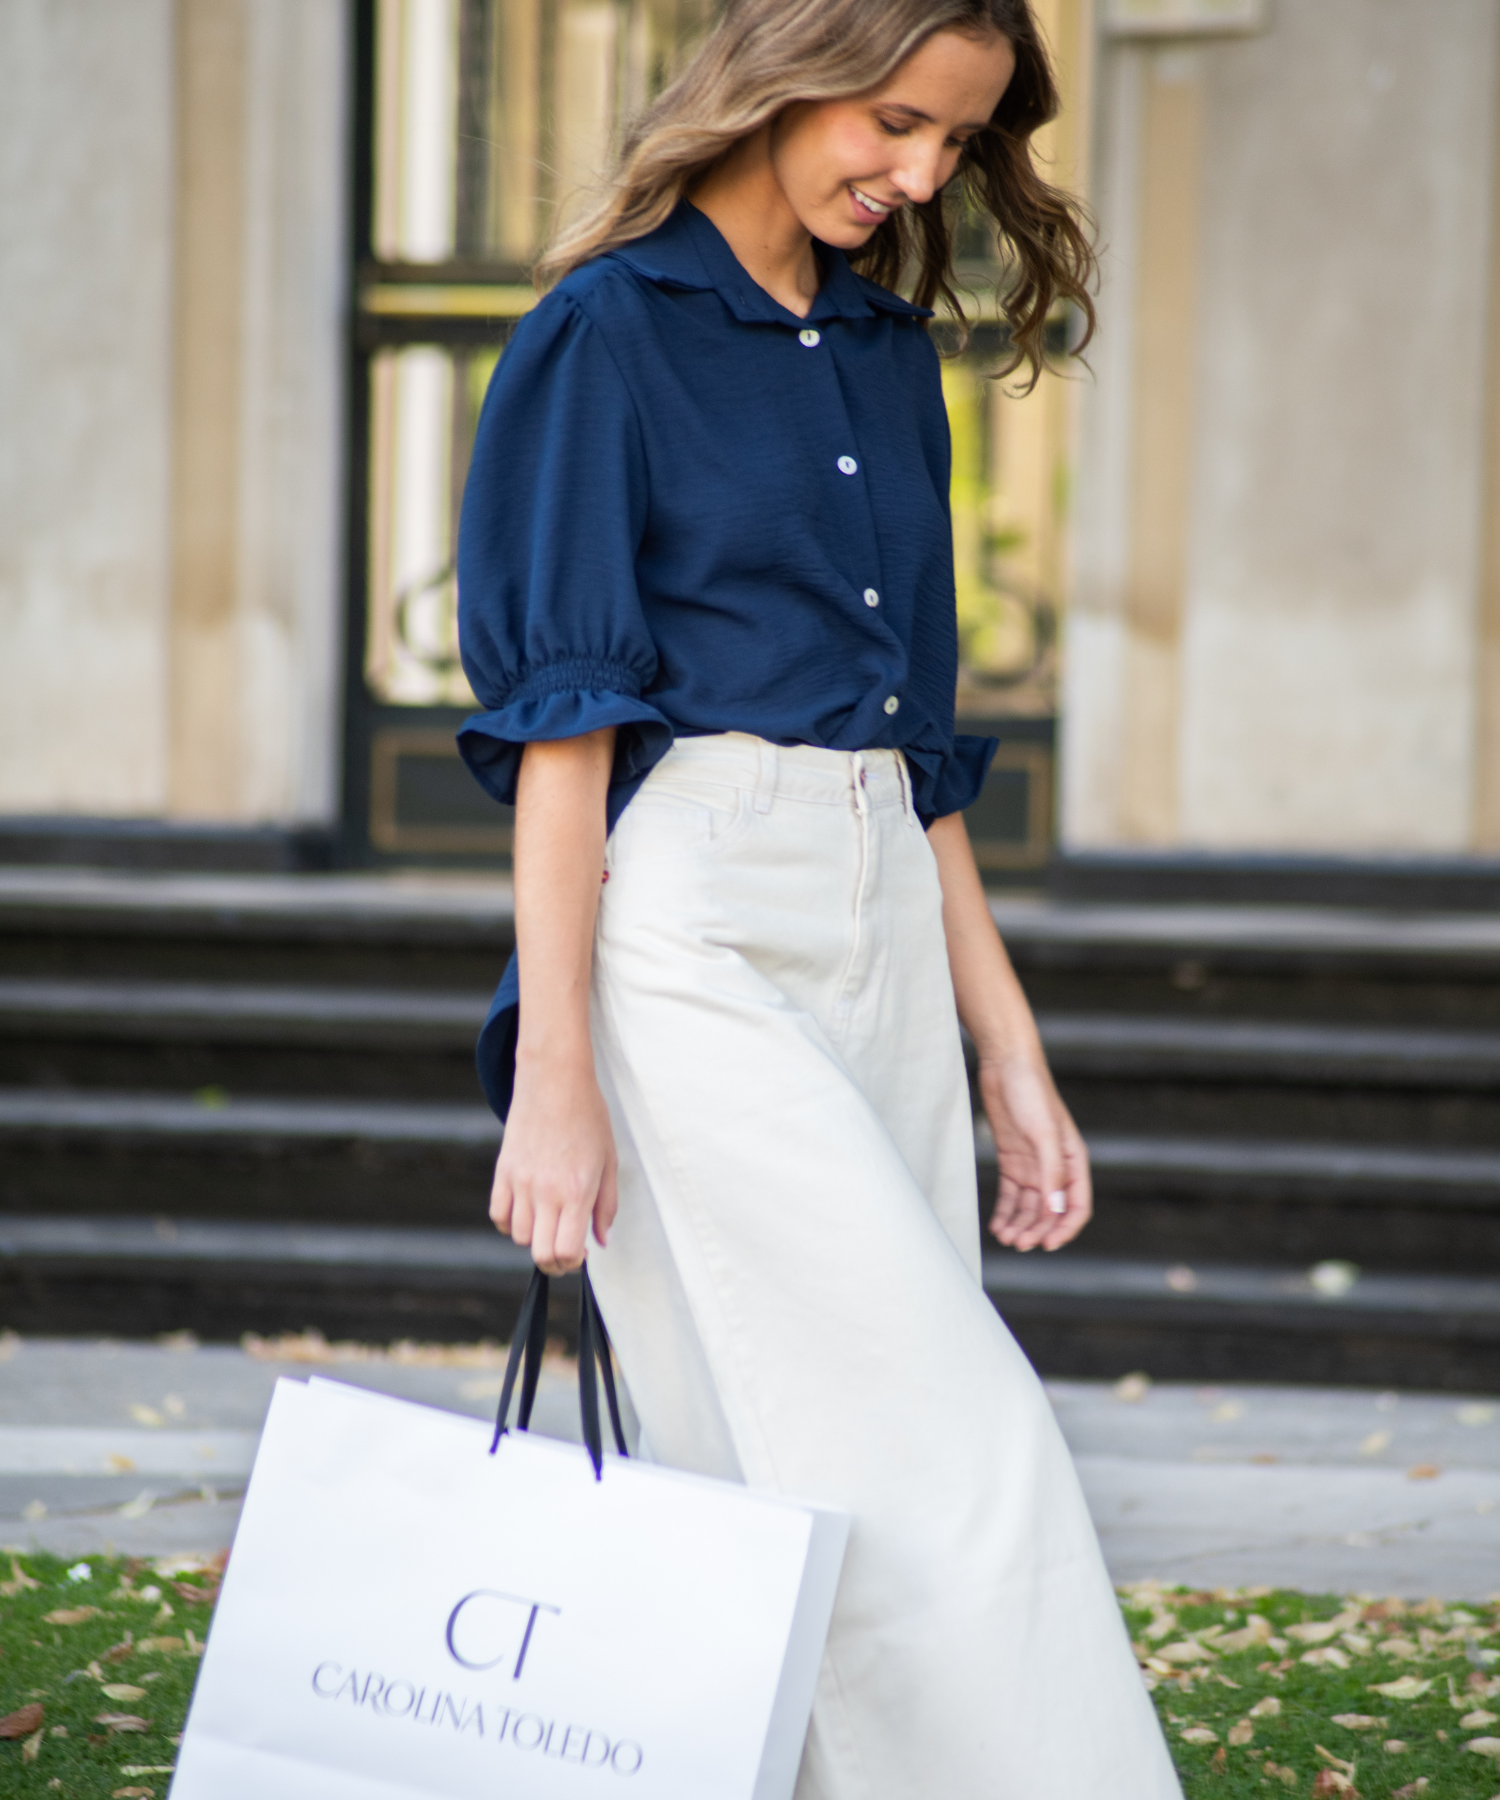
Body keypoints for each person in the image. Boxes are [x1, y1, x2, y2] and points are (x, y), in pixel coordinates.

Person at [456, 0, 1182, 1792]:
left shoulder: (881, 351)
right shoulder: (602, 334)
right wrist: (555, 1071)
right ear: (784, 74)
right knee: (955, 1437)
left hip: (881, 919)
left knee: (771, 1465)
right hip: (692, 924)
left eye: (960, 142)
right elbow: (566, 740)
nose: (922, 176)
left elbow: (913, 754)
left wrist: (1008, 1047)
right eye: (895, 122)